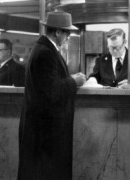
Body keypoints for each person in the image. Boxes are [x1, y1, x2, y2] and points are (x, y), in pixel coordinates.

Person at [17, 11, 86, 180]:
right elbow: (51, 92)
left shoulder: (44, 49)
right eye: (67, 33)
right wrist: (74, 81)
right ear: (57, 32)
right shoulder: (46, 53)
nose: (68, 37)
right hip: (45, 133)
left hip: (42, 130)